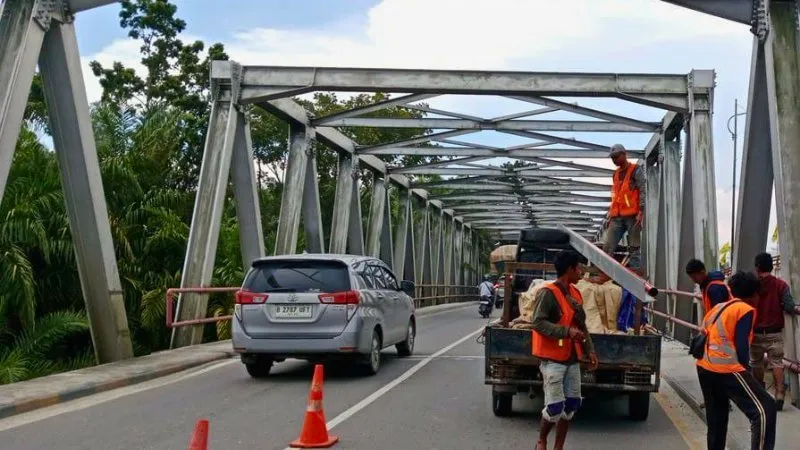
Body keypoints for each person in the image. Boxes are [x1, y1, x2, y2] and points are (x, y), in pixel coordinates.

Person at [696, 271, 777, 450]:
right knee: (765, 410)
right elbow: (741, 346)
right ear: (754, 295)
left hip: (704, 366)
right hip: (726, 368)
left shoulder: (718, 308)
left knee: (717, 418)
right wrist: (747, 375)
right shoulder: (744, 309)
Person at [531, 250, 599, 450]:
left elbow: (582, 326)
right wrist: (566, 332)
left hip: (572, 359)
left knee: (571, 406)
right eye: (579, 268)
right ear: (570, 269)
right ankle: (542, 440)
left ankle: (558, 447)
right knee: (554, 407)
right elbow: (537, 322)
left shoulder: (576, 293)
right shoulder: (547, 293)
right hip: (552, 360)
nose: (581, 273)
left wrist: (590, 350)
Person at [752, 252, 799, 410]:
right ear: (771, 267)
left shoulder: (752, 285)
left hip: (756, 332)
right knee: (777, 363)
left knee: (756, 362)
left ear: (757, 268)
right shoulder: (781, 285)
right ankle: (779, 394)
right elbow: (790, 306)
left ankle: (759, 392)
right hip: (774, 332)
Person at [603, 144, 646, 270]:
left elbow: (643, 190)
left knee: (634, 249)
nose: (614, 160)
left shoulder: (635, 170)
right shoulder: (615, 174)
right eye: (612, 158)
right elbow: (615, 196)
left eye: (616, 157)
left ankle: (635, 277)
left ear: (624, 154)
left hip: (632, 216)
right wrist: (610, 215)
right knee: (607, 247)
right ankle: (605, 274)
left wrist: (641, 211)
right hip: (617, 216)